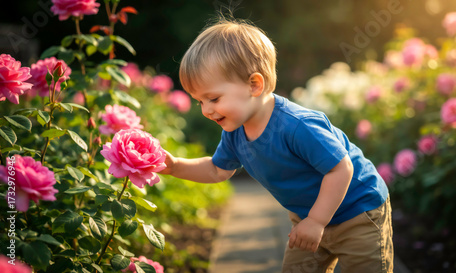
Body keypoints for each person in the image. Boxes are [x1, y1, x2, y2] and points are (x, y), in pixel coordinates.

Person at [159, 17, 393, 273]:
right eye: (199, 102)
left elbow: (341, 169)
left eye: (213, 98)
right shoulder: (235, 131)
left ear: (254, 85)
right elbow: (217, 170)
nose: (206, 110)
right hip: (307, 218)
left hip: (357, 211)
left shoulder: (297, 126)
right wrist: (174, 166)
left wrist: (316, 221)